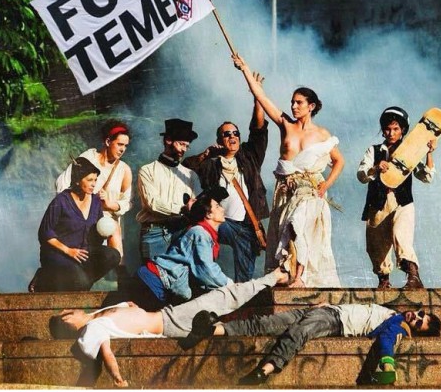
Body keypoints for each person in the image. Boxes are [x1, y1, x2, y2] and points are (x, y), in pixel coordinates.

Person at [49, 266, 291, 388]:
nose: (72, 309)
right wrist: (118, 379)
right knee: (223, 297)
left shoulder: (97, 316)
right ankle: (274, 277)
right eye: (66, 312)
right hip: (170, 322)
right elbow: (107, 353)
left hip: (167, 316)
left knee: (226, 312)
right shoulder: (93, 328)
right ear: (67, 321)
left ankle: (205, 330)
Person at [232, 54, 345, 288]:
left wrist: (326, 185)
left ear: (311, 106)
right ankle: (290, 277)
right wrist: (244, 68)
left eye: (299, 103)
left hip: (310, 191)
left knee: (297, 224)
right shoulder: (286, 124)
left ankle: (300, 277)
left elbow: (339, 161)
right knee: (284, 233)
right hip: (285, 191)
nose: (293, 106)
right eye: (292, 102)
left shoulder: (322, 134)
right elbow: (262, 97)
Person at [184, 303, 441, 386]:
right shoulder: (395, 314)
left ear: (416, 333)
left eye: (420, 323)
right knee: (265, 323)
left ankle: (266, 369)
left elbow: (387, 342)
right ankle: (213, 330)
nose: (416, 317)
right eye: (421, 314)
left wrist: (387, 366)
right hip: (324, 310)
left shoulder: (399, 327)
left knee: (298, 333)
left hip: (333, 320)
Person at [184, 72, 269, 282]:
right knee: (196, 227)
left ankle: (241, 292)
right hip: (221, 223)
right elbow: (186, 166)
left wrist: (257, 97)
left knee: (245, 274)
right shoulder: (212, 164)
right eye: (227, 134)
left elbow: (258, 129)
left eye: (235, 133)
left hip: (247, 224)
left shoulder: (249, 156)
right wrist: (206, 154)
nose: (232, 136)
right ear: (219, 140)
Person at [357, 106, 437, 290]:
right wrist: (376, 168)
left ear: (403, 130)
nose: (391, 133)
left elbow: (426, 177)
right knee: (376, 244)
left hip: (402, 202)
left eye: (395, 129)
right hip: (378, 203)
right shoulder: (374, 150)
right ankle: (384, 281)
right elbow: (361, 175)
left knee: (402, 236)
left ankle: (414, 278)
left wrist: (429, 154)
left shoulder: (410, 150)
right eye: (387, 129)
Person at [133, 187, 234, 308]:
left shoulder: (204, 234)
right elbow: (206, 270)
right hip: (153, 282)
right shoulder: (200, 233)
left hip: (157, 283)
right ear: (208, 214)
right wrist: (229, 284)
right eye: (217, 206)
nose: (222, 209)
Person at [32, 157, 121, 292]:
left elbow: (96, 235)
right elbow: (45, 233)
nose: (94, 184)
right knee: (81, 283)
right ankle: (43, 277)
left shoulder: (96, 202)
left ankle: (81, 280)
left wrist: (105, 229)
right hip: (59, 253)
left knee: (113, 255)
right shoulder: (61, 201)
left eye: (95, 180)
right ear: (78, 181)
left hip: (82, 253)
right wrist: (69, 251)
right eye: (89, 180)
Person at [55, 120, 132, 268]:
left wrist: (110, 204)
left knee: (113, 228)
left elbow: (126, 202)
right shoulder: (89, 158)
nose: (123, 149)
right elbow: (61, 183)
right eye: (119, 144)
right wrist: (84, 200)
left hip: (105, 223)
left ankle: (121, 273)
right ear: (108, 141)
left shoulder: (124, 170)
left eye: (126, 146)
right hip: (80, 219)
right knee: (78, 266)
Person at [136, 118, 202, 262]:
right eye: (181, 144)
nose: (184, 149)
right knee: (153, 274)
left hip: (182, 231)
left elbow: (197, 204)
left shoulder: (190, 175)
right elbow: (152, 204)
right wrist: (183, 208)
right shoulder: (147, 170)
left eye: (187, 146)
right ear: (168, 140)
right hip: (154, 232)